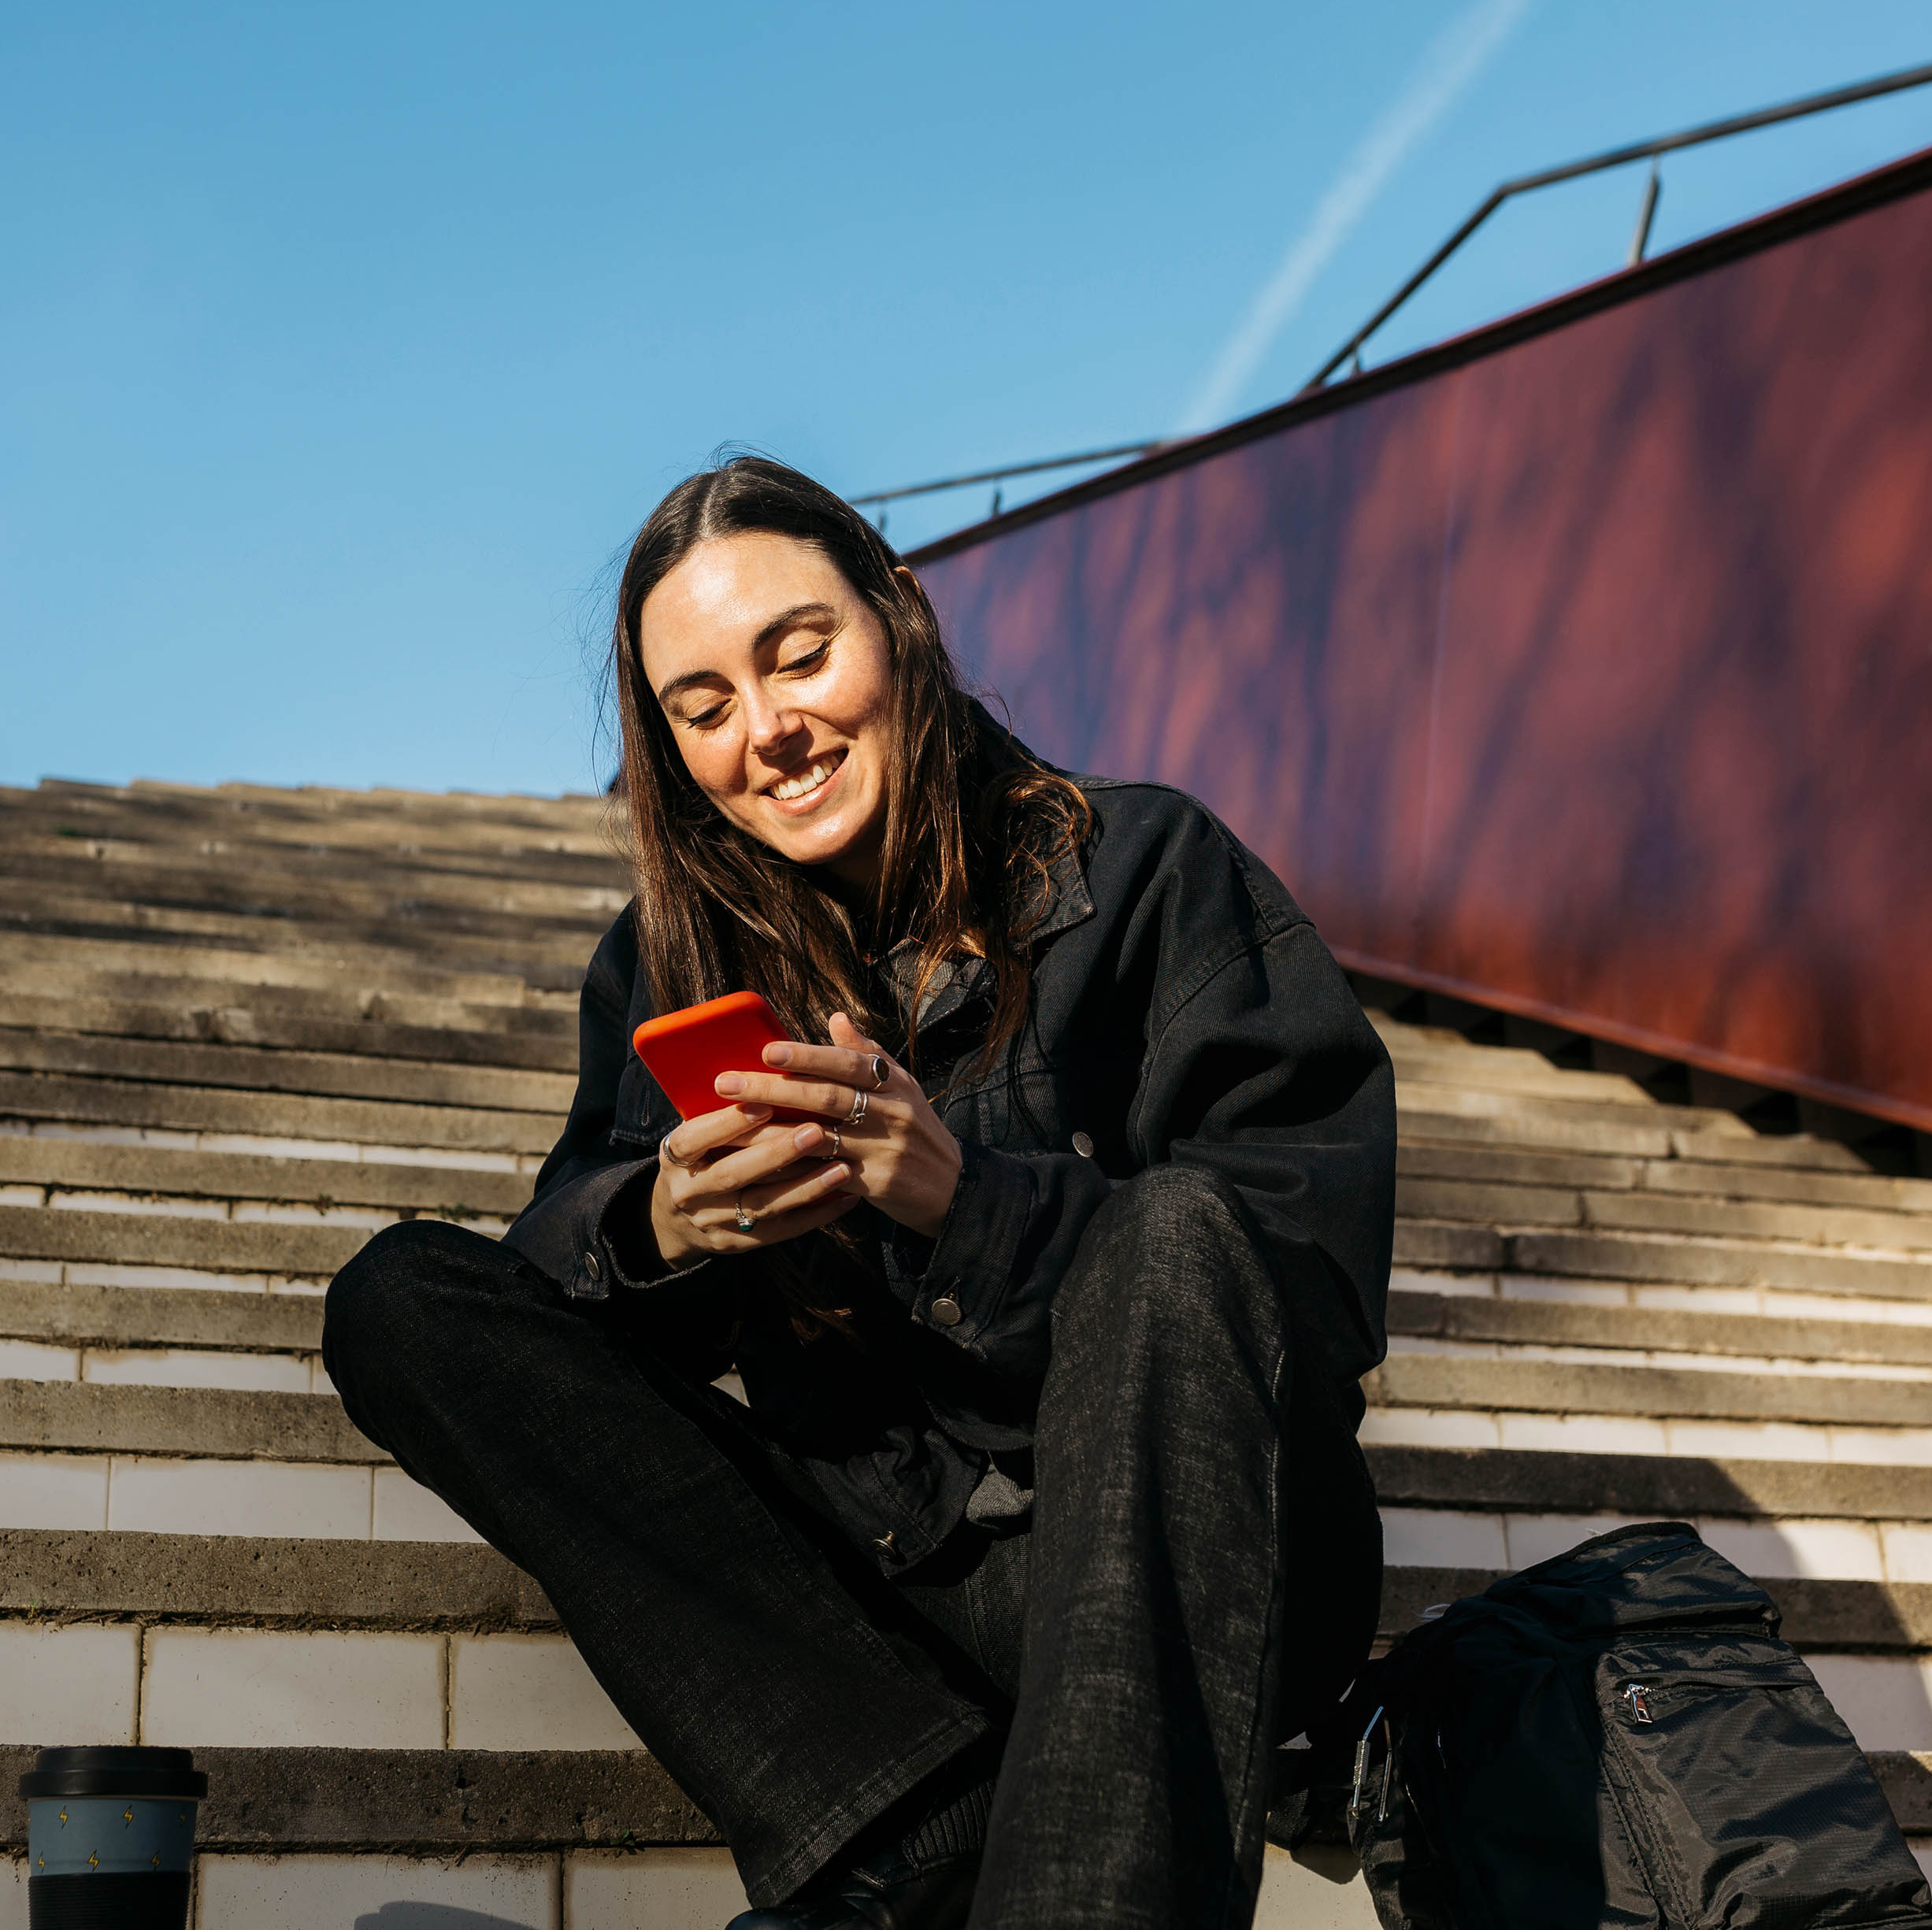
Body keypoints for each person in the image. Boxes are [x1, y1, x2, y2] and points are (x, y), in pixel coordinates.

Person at [323, 455, 1393, 1930]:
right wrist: (663, 1229)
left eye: (801, 654)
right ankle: (909, 1819)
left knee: (1183, 1230)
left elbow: (1305, 1288)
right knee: (401, 1301)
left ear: (901, 615)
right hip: (887, 1590)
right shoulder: (662, 966)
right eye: (702, 710)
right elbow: (553, 1317)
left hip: (1194, 1562)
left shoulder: (1149, 869)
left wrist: (970, 1205)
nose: (769, 732)